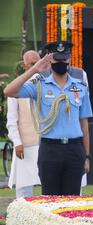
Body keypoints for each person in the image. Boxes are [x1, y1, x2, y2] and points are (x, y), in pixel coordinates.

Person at [3, 41, 93, 196]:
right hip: (50, 149)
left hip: (74, 149)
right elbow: (9, 91)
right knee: (50, 200)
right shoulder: (40, 85)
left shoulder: (80, 87)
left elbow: (84, 124)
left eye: (64, 59)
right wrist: (34, 69)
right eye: (57, 59)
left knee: (72, 201)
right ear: (50, 61)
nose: (61, 63)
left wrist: (87, 156)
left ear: (69, 59)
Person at [6, 50, 41, 198]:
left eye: (38, 62)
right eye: (33, 64)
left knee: (50, 188)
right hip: (26, 146)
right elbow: (12, 120)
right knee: (24, 190)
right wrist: (17, 142)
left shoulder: (48, 82)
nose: (36, 66)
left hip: (47, 144)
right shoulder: (16, 87)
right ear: (25, 66)